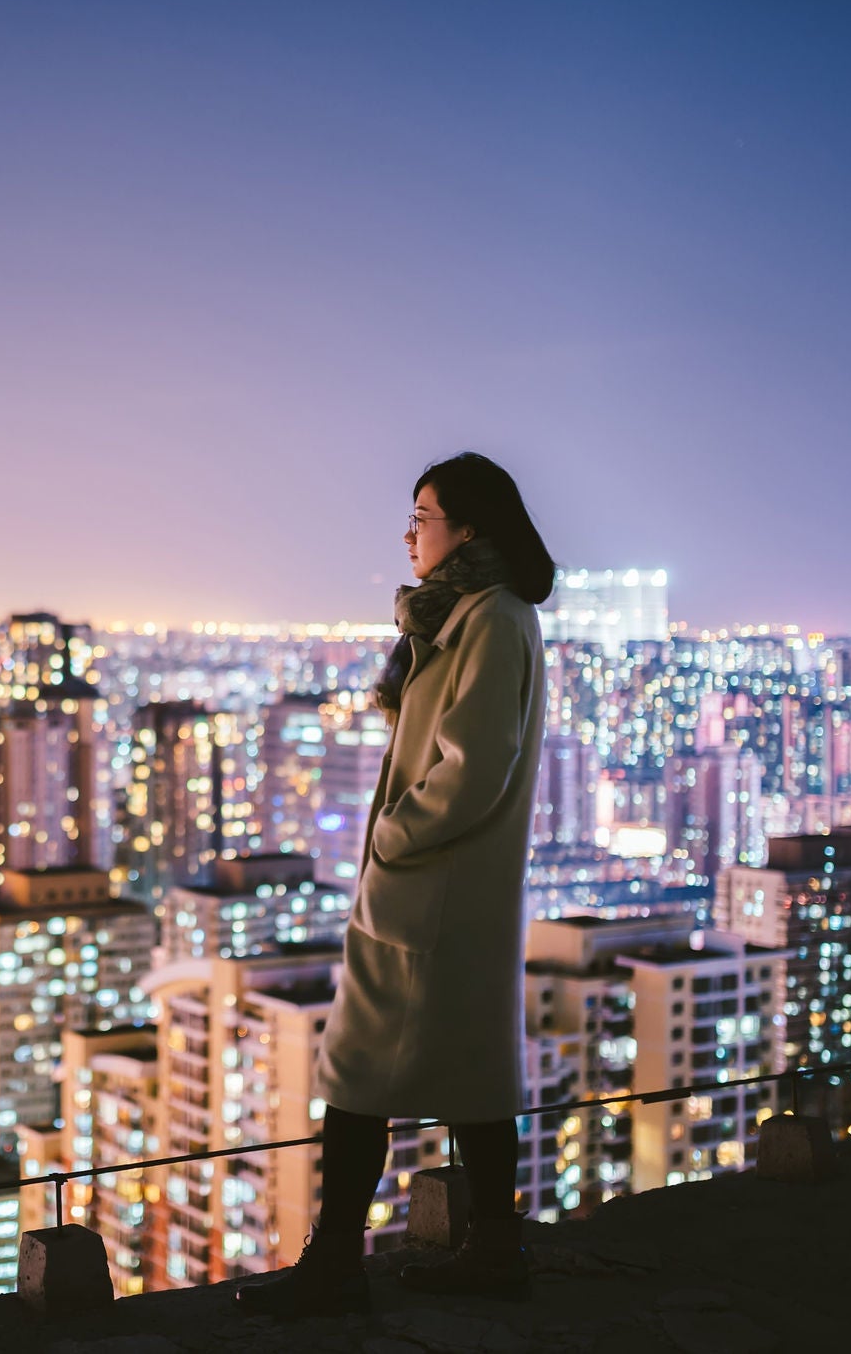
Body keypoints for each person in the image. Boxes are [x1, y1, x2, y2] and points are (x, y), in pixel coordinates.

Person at [238, 452, 555, 1317]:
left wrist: (394, 834)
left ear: (470, 530)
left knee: (356, 1075)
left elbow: (476, 762)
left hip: (433, 888)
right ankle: (495, 1246)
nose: (411, 533)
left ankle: (336, 1262)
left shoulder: (493, 617)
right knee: (472, 1072)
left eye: (424, 515)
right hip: (444, 889)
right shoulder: (471, 615)